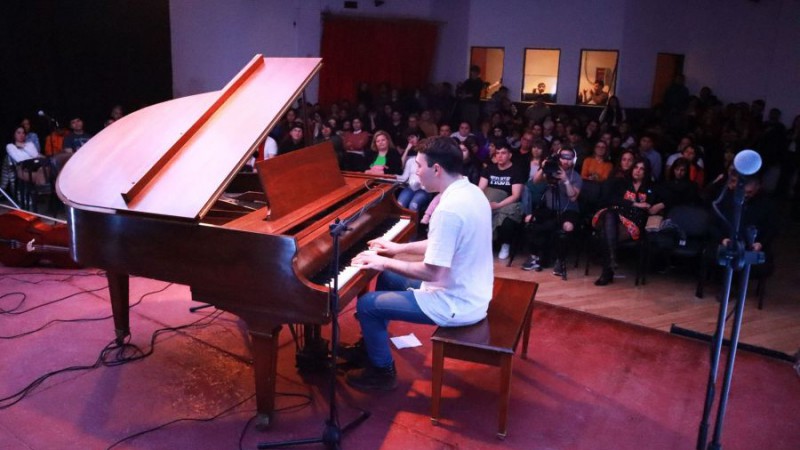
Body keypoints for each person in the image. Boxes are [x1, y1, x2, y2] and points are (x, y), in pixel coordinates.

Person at [343, 136, 493, 391]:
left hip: (457, 301)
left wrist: (383, 262)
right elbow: (441, 243)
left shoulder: (448, 210)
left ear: (437, 169)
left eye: (419, 166)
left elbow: (431, 271)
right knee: (388, 280)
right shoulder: (471, 192)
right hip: (470, 287)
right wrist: (398, 248)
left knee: (368, 305)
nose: (416, 172)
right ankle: (370, 347)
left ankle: (382, 372)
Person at [592, 157, 664, 286]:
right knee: (610, 215)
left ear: (646, 172)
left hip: (634, 223)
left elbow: (672, 197)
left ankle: (608, 270)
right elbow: (610, 199)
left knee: (606, 234)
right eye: (636, 167)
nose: (638, 171)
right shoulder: (622, 182)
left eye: (642, 169)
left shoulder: (651, 187)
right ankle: (611, 262)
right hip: (616, 217)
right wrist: (635, 204)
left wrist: (661, 205)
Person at [522, 145, 582, 273]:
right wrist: (543, 167)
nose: (565, 161)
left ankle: (561, 260)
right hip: (550, 208)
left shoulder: (575, 176)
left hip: (568, 210)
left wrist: (565, 180)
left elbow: (572, 197)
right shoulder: (550, 171)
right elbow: (535, 181)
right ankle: (534, 257)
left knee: (568, 227)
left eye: (569, 158)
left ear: (574, 160)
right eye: (563, 158)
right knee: (530, 219)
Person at [478, 140, 525, 260]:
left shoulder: (517, 171)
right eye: (497, 153)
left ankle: (505, 245)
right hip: (489, 201)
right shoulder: (489, 169)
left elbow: (516, 195)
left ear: (510, 155)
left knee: (507, 221)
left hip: (507, 203)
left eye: (503, 153)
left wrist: (498, 205)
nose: (499, 155)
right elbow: (480, 189)